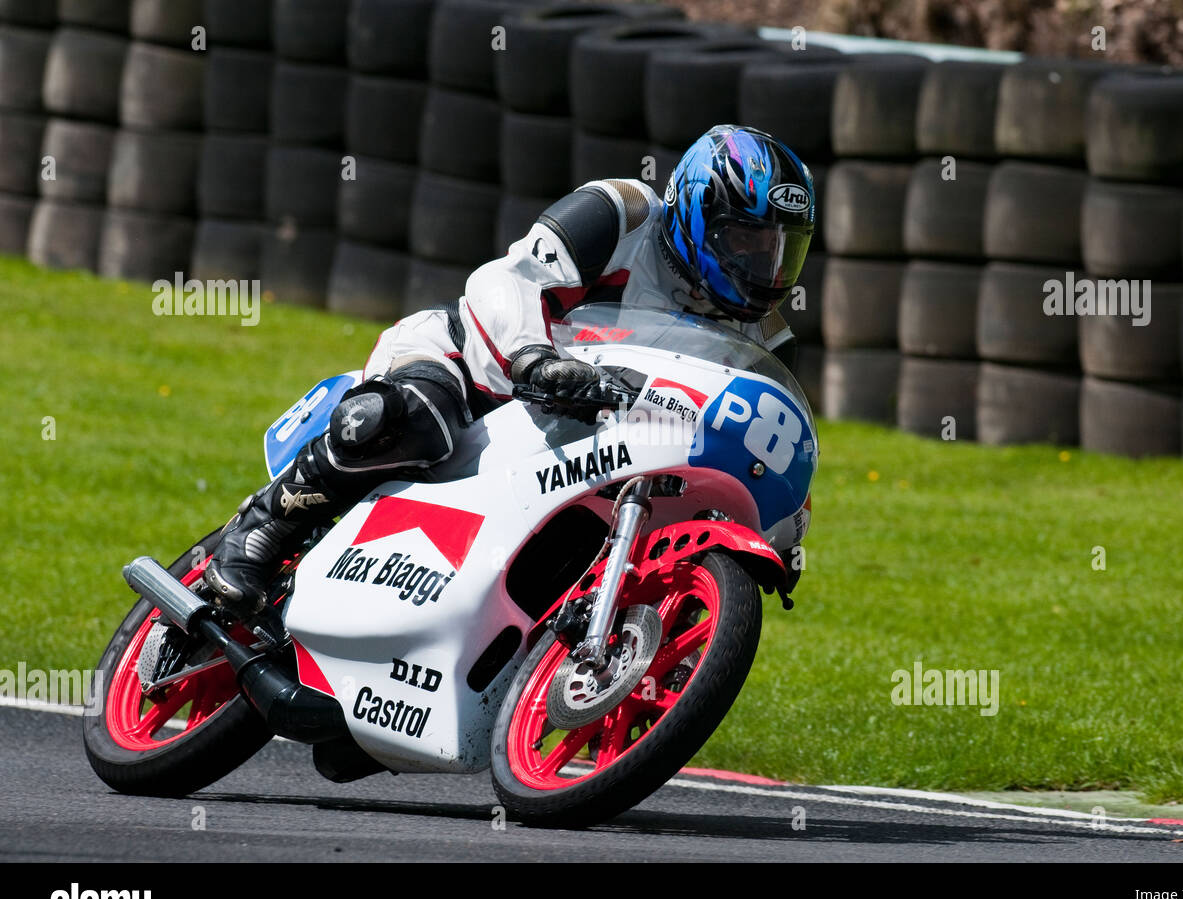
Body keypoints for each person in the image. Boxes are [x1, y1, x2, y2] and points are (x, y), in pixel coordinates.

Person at [203, 124, 817, 617]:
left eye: (780, 249)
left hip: (595, 438)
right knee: (418, 422)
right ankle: (261, 529)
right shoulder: (622, 214)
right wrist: (533, 357)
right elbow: (509, 277)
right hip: (473, 371)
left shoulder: (767, 338)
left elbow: (765, 435)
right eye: (745, 240)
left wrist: (785, 533)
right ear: (694, 215)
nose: (764, 265)